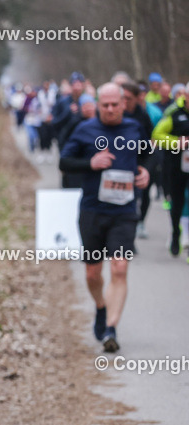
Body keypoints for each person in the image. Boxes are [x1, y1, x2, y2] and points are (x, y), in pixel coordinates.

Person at [60, 83, 151, 352]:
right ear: (98, 104)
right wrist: (90, 163)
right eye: (105, 105)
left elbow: (146, 154)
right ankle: (101, 306)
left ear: (124, 103)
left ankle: (111, 327)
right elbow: (64, 162)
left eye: (115, 104)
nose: (110, 110)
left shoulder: (134, 128)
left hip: (124, 212)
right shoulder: (85, 130)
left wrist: (145, 171)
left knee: (120, 268)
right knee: (92, 273)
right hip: (92, 210)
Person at [151, 89, 189, 257]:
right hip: (176, 166)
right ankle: (175, 232)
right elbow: (157, 135)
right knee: (178, 202)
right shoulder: (174, 112)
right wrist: (177, 143)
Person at [122, 81, 157, 237]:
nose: (124, 102)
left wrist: (147, 169)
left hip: (140, 162)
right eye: (122, 97)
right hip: (121, 164)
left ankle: (141, 222)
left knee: (143, 195)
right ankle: (128, 234)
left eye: (128, 98)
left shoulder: (142, 115)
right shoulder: (116, 113)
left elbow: (150, 140)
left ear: (137, 98)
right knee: (127, 201)